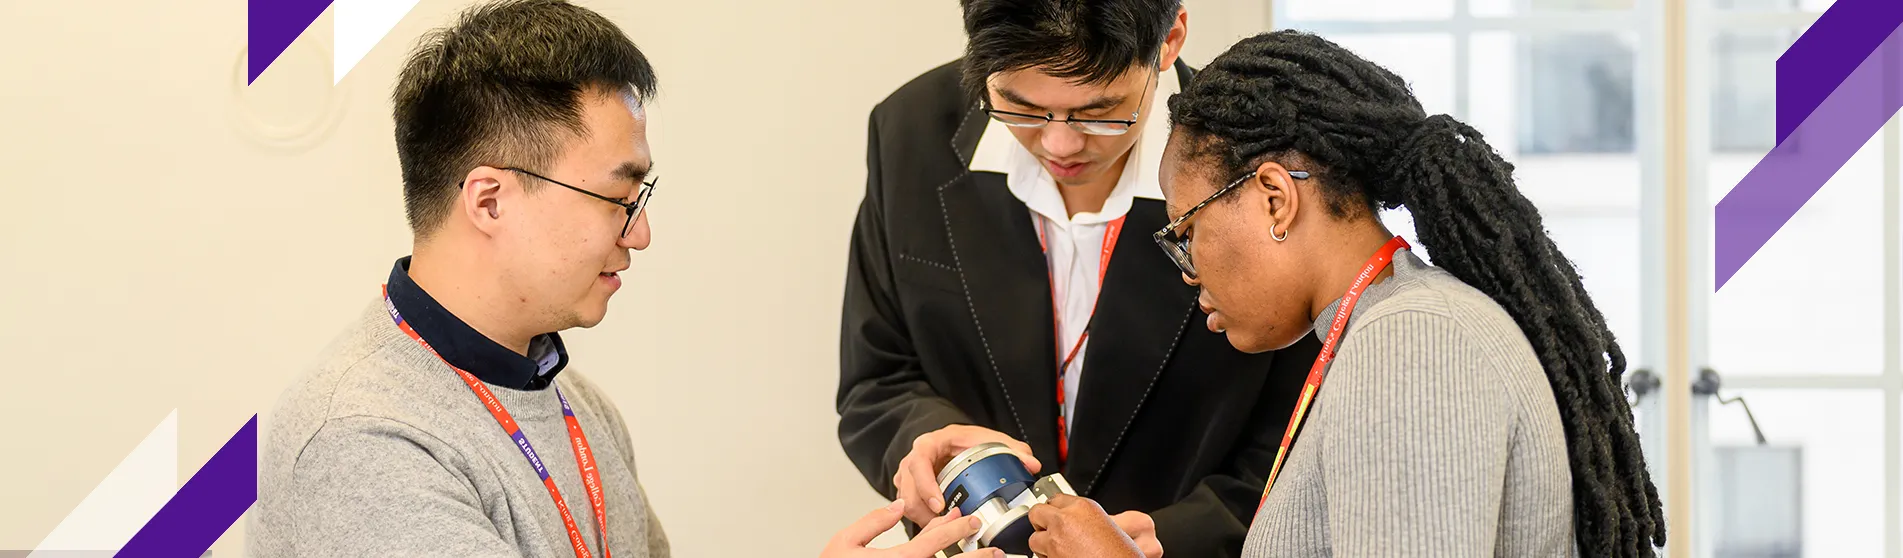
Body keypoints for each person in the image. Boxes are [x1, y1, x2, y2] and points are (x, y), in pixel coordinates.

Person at [247, 2, 987, 557]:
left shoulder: (572, 402)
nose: (638, 233)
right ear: (489, 199)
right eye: (616, 197)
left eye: (641, 199)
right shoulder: (363, 442)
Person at [1023, 30, 1667, 558]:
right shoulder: (1385, 327)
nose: (1188, 272)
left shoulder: (1413, 344)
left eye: (1187, 230)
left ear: (1276, 198)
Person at [837, 1, 1323, 556]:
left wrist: (1166, 539)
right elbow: (876, 380)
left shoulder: (1264, 159)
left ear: (1170, 40)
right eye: (1020, 109)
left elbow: (1302, 431)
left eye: (1102, 112)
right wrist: (930, 450)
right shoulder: (911, 132)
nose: (1061, 145)